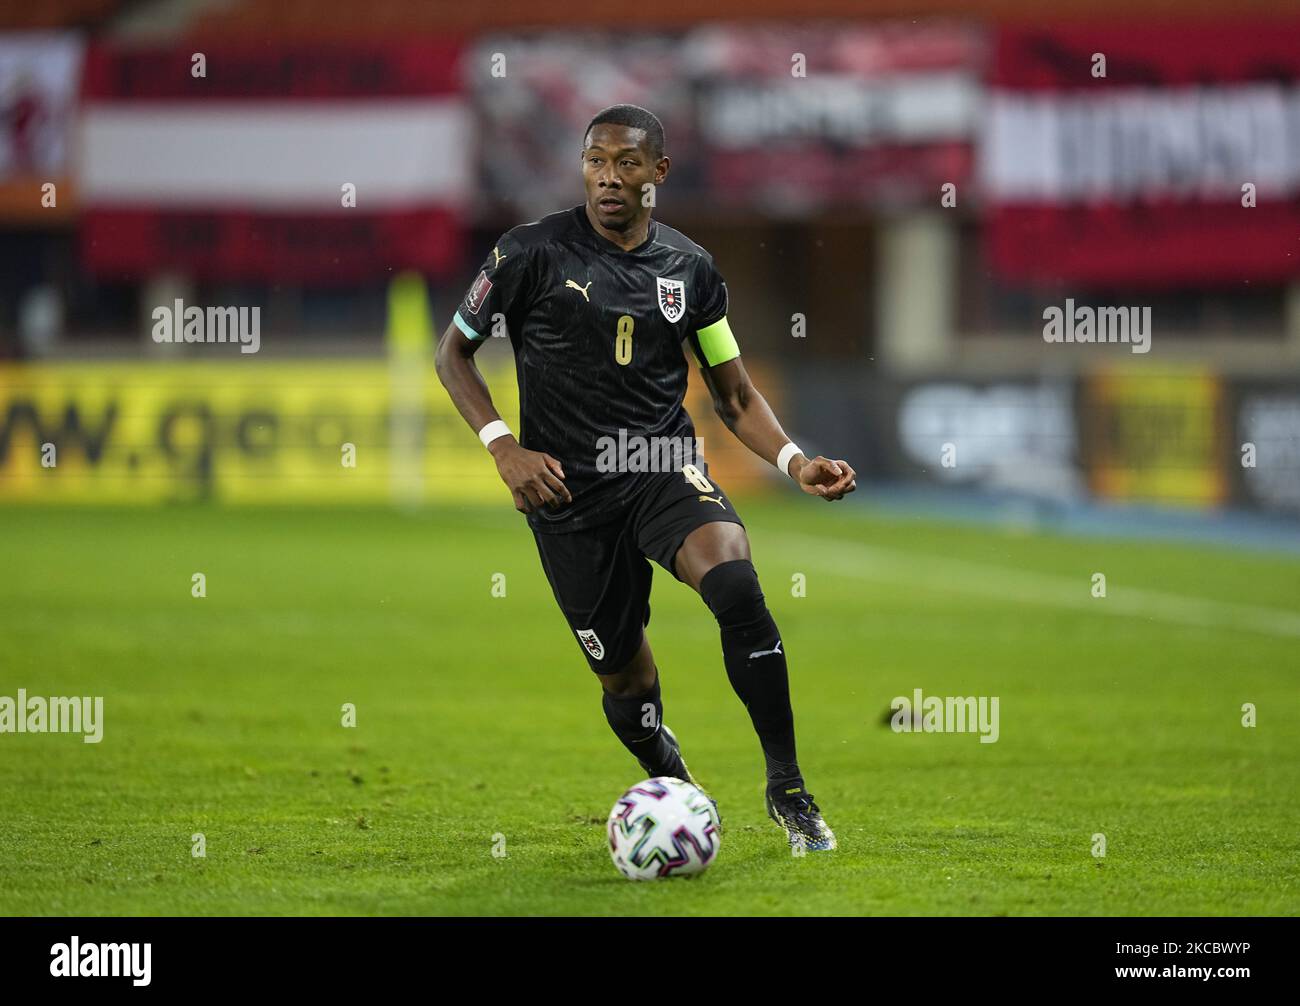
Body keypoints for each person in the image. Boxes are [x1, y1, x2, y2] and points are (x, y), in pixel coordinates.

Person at [435, 104, 856, 851]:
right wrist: (503, 445)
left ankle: (789, 792)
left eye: (626, 163)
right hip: (566, 494)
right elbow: (453, 354)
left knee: (734, 581)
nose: (608, 178)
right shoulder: (528, 253)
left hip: (659, 466)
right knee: (626, 685)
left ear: (658, 172)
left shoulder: (690, 269)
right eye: (596, 161)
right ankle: (673, 776)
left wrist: (796, 461)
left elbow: (735, 395)